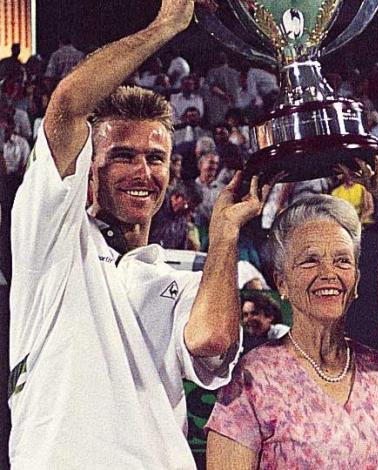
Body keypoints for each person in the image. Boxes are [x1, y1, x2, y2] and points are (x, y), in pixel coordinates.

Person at [8, 1, 276, 468]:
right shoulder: (51, 240)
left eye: (155, 158)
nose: (141, 171)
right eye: (122, 155)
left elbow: (211, 342)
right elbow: (67, 107)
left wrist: (227, 232)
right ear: (87, 171)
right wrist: (167, 25)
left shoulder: (187, 279)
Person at [205, 190, 378, 468]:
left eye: (342, 260)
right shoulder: (253, 379)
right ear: (281, 283)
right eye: (310, 260)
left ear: (356, 280)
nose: (328, 273)